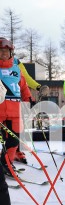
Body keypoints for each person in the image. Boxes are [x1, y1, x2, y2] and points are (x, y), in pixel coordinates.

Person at [0, 38, 32, 176]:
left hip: (15, 110)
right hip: (1, 110)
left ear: (11, 52)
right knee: (5, 139)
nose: (4, 54)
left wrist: (28, 98)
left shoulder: (16, 68)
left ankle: (6, 163)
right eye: (0, 51)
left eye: (6, 51)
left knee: (13, 140)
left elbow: (23, 85)